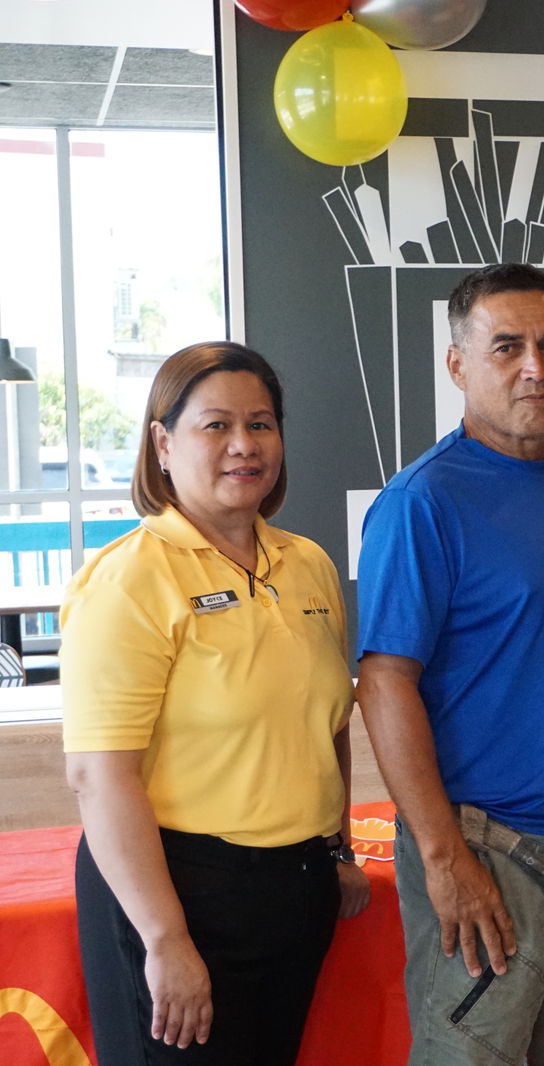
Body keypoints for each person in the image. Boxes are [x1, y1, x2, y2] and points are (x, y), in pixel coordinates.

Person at [355, 263, 544, 1066]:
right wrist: (444, 859)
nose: (536, 366)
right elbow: (384, 681)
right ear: (458, 364)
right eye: (508, 347)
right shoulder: (422, 503)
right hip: (489, 860)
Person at [61, 342, 369, 1066]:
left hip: (293, 890)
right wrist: (165, 939)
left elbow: (327, 726)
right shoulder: (130, 579)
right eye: (216, 426)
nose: (244, 445)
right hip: (172, 892)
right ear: (162, 443)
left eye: (262, 424)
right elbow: (99, 778)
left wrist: (338, 849)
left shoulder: (308, 564)